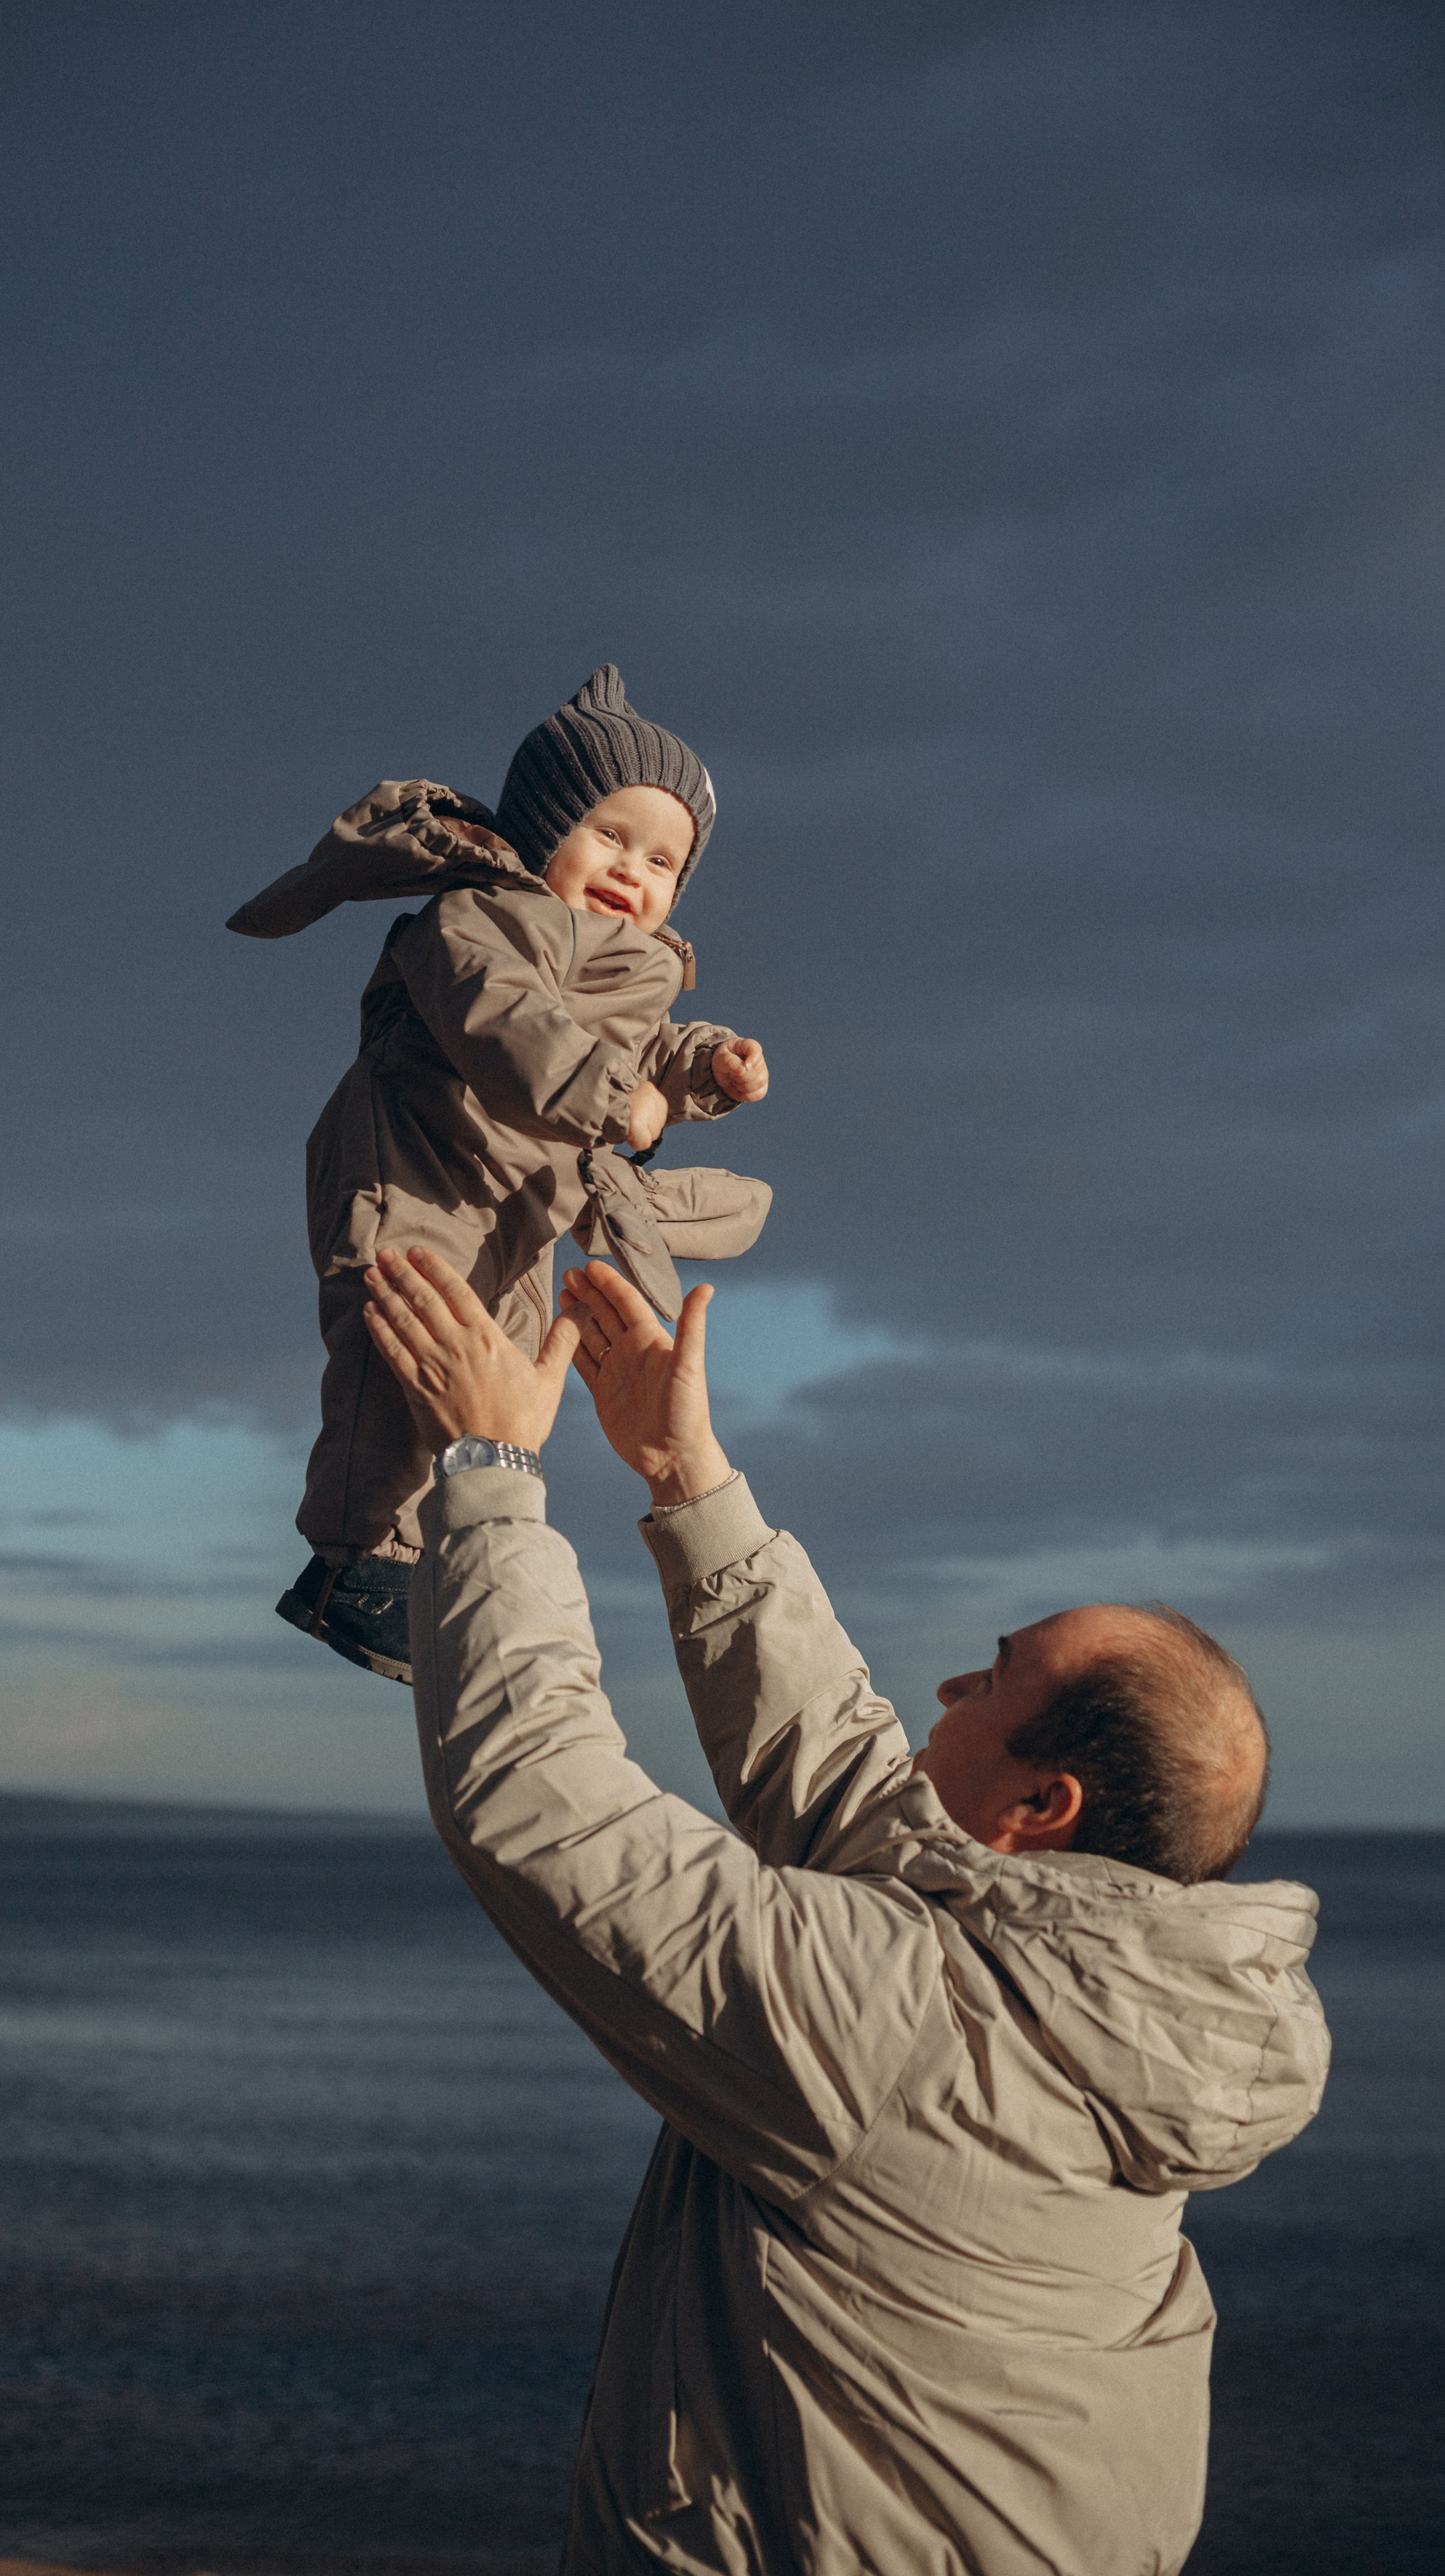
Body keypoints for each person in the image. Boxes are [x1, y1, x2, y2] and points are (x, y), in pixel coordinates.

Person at [357, 1243, 1330, 2576]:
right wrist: (681, 1476)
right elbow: (851, 1793)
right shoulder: (1103, 2005)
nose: (941, 1692)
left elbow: (545, 1804)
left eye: (990, 1679)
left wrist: (490, 1476)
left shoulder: (912, 2030)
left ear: (1039, 1808)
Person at [226, 664, 771, 1685]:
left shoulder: (636, 970)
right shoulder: (473, 921)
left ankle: (432, 1557)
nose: (632, 871)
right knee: (400, 1357)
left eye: (663, 860)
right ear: (542, 829)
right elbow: (505, 1025)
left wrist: (707, 1070)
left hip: (517, 1207)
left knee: (501, 1384)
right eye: (609, 834)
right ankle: (351, 1569)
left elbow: (650, 1047)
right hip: (415, 1175)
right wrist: (618, 1102)